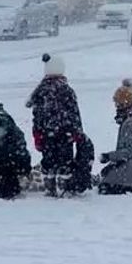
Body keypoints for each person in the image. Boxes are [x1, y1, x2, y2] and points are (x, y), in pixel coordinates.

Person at [25, 53, 85, 196]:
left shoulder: (41, 91)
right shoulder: (67, 90)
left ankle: (50, 186)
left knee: (48, 161)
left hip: (47, 135)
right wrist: (77, 132)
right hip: (66, 134)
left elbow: (37, 118)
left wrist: (37, 135)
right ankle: (64, 186)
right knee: (65, 161)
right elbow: (75, 114)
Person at [98, 78, 132, 195]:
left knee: (104, 187)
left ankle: (130, 186)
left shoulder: (130, 124)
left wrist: (109, 156)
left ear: (124, 104)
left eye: (117, 104)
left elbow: (130, 153)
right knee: (105, 174)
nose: (116, 107)